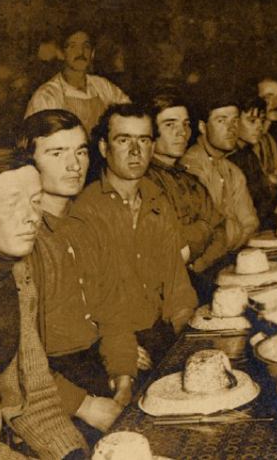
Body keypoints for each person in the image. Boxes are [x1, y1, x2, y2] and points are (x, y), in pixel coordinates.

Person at [0, 148, 88, 460]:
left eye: (36, 201)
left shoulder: (14, 272)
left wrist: (72, 455)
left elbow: (35, 396)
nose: (31, 216)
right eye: (12, 203)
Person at [16, 111, 139, 437]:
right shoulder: (21, 239)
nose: (75, 165)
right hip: (48, 388)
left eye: (81, 151)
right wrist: (84, 406)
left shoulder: (86, 226)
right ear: (29, 163)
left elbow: (113, 312)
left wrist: (124, 378)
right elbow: (15, 362)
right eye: (57, 153)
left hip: (97, 368)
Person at [73, 104, 197, 367]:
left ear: (153, 147)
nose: (135, 151)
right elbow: (90, 306)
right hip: (109, 344)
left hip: (159, 334)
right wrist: (123, 351)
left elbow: (177, 286)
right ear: (105, 148)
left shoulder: (157, 201)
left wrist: (188, 336)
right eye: (123, 140)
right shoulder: (86, 210)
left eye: (143, 140)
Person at [143, 94, 229, 299]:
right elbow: (165, 247)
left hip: (201, 281)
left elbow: (220, 233)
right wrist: (203, 229)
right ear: (150, 132)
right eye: (170, 124)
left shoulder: (191, 181)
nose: (181, 132)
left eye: (185, 124)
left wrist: (195, 265)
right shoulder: (143, 182)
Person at [180, 96, 259, 251]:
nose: (231, 128)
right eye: (222, 121)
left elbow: (250, 222)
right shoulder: (191, 169)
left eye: (235, 121)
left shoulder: (232, 170)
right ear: (203, 127)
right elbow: (211, 234)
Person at [25, 29, 129, 133]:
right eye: (72, 46)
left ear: (92, 54)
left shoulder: (103, 86)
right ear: (61, 54)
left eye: (86, 46)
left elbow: (130, 114)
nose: (80, 52)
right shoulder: (46, 95)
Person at [229, 95, 277, 227]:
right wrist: (270, 182)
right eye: (252, 121)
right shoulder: (231, 158)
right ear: (235, 122)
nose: (260, 127)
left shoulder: (248, 154)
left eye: (262, 120)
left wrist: (272, 182)